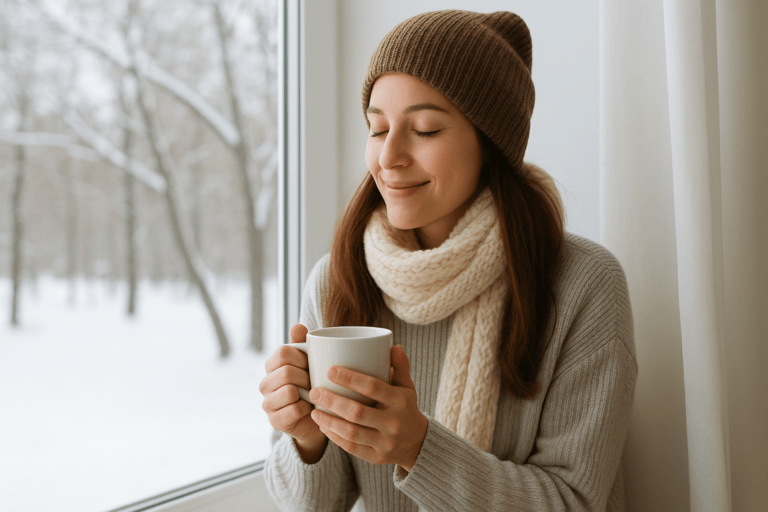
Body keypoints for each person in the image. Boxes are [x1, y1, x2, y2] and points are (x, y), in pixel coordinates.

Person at [259, 9, 637, 512]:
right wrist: (308, 440)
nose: (389, 156)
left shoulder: (584, 285)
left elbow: (574, 502)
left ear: (491, 145)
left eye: (425, 130)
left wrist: (418, 448)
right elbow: (311, 506)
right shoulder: (337, 280)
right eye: (377, 128)